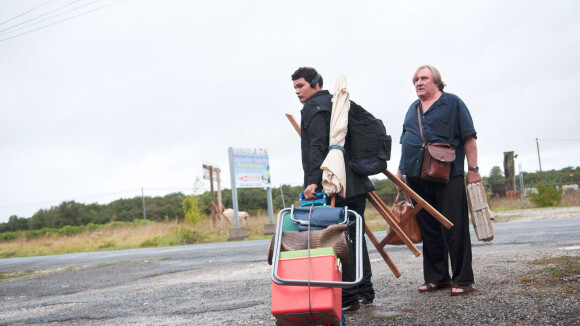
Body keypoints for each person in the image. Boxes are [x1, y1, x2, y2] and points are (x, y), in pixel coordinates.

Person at [291, 67, 375, 311]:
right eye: (295, 87)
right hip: (357, 181)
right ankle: (365, 292)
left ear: (316, 83)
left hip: (335, 183)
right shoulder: (339, 102)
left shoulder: (314, 108)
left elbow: (317, 146)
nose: (297, 92)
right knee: (355, 236)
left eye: (301, 86)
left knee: (338, 238)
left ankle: (348, 299)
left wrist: (313, 181)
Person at [396, 65, 481, 296]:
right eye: (415, 80)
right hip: (416, 176)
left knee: (455, 227)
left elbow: (469, 137)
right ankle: (437, 278)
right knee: (429, 228)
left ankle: (463, 279)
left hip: (448, 175)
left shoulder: (453, 103)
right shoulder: (412, 110)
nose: (418, 83)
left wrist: (473, 169)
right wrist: (400, 173)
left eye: (424, 78)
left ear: (436, 82)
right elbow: (406, 143)